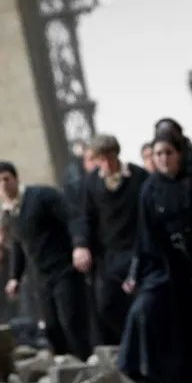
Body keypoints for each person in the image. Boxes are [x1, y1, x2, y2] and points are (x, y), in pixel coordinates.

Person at [119, 132, 192, 383]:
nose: (164, 159)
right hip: (166, 266)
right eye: (158, 154)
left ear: (179, 154)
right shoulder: (149, 189)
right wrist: (137, 273)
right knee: (147, 309)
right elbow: (146, 236)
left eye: (169, 153)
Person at [0, 161, 92, 359]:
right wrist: (15, 277)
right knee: (52, 327)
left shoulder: (42, 196)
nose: (3, 185)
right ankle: (65, 367)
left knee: (72, 321)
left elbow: (73, 218)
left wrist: (80, 245)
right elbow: (19, 244)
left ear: (16, 179)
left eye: (6, 179)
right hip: (41, 277)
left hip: (64, 269)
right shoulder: (9, 212)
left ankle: (86, 363)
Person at [71, 134, 149, 345]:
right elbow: (84, 217)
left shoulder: (138, 177)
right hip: (109, 255)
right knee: (106, 305)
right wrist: (81, 245)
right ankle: (130, 342)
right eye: (100, 159)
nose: (106, 164)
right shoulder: (90, 183)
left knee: (142, 304)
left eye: (109, 158)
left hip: (137, 251)